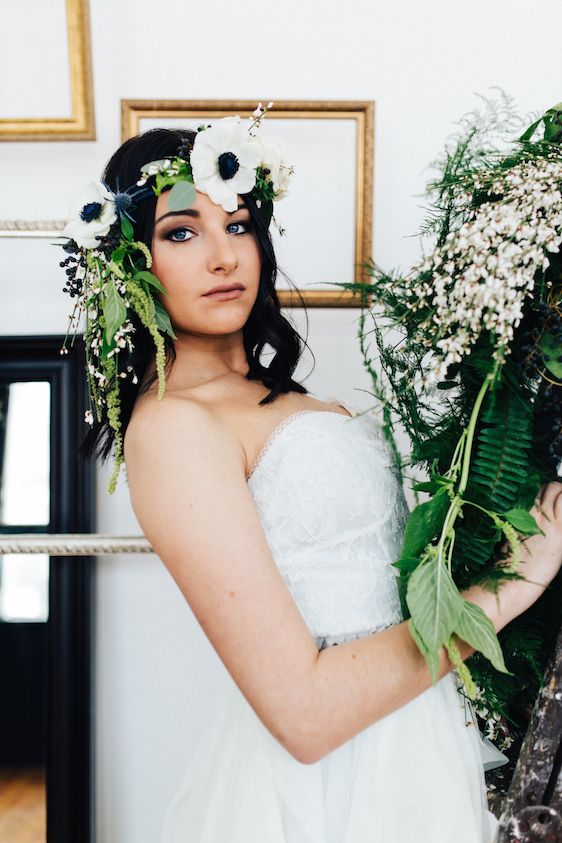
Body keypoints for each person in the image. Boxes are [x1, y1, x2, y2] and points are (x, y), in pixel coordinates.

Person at [62, 110, 562, 842]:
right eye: (181, 232)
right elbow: (303, 712)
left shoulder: (293, 399)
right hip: (327, 787)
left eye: (238, 225)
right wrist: (512, 588)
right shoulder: (174, 427)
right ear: (131, 267)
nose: (222, 256)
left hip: (412, 745)